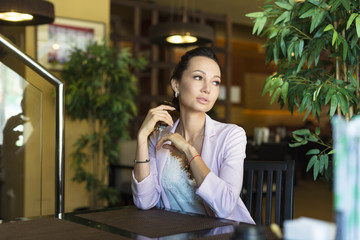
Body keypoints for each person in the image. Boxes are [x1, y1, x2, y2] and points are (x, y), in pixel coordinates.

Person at [131, 47, 255, 224]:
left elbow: (225, 206)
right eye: (198, 77)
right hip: (173, 233)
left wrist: (188, 150)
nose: (207, 89)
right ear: (176, 85)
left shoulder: (231, 135)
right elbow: (144, 202)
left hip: (220, 235)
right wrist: (142, 138)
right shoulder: (158, 138)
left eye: (215, 82)